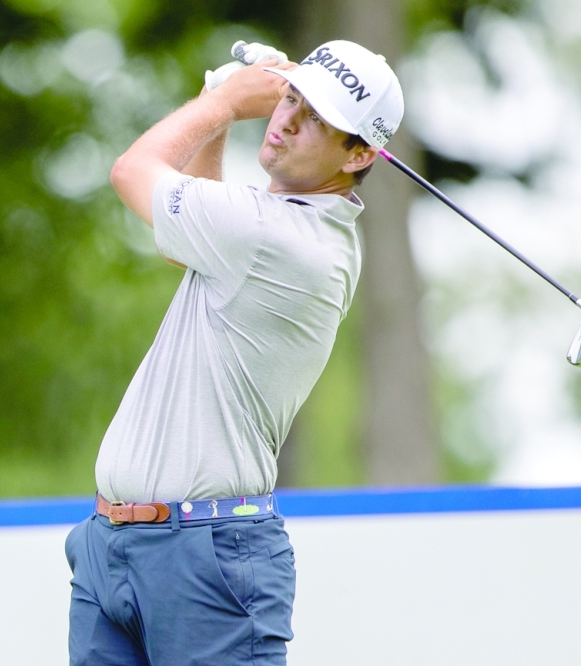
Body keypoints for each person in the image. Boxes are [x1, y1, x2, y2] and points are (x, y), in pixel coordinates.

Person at [64, 39, 405, 666]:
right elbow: (183, 243)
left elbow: (131, 172)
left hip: (208, 558)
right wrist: (219, 103)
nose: (286, 120)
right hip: (112, 548)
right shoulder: (266, 227)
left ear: (359, 154)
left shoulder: (284, 239)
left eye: (317, 120)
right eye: (290, 98)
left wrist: (221, 101)